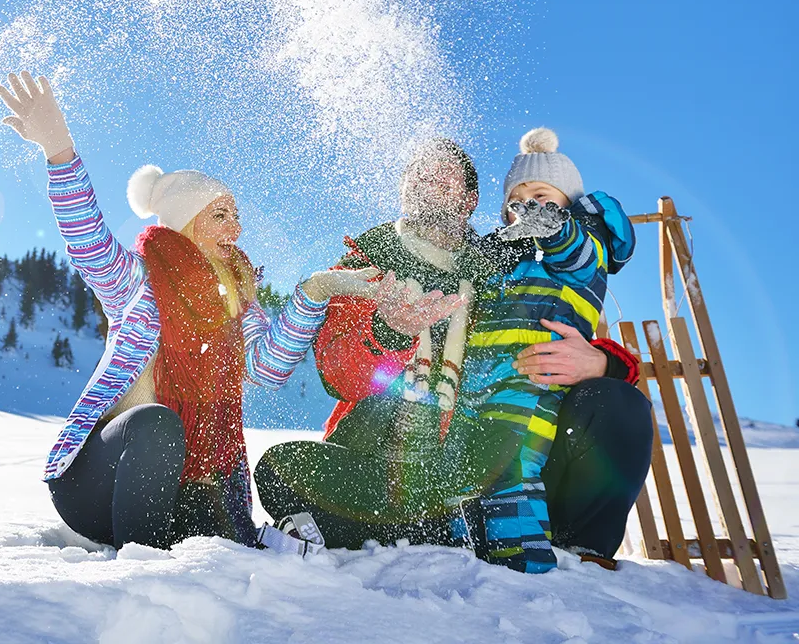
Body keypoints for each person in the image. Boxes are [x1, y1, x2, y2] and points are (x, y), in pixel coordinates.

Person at [0, 71, 461, 551]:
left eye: (237, 216)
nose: (235, 229)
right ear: (185, 223)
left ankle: (181, 559)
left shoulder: (238, 304)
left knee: (221, 518)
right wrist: (59, 149)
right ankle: (142, 575)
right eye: (220, 215)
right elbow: (87, 241)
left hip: (173, 494)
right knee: (156, 424)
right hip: (99, 484)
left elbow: (268, 367)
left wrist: (317, 290)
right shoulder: (138, 280)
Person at [254, 137, 652, 565]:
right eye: (419, 179)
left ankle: (579, 551)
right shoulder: (369, 266)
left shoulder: (497, 265)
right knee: (281, 468)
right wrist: (389, 332)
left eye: (444, 178)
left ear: (469, 200)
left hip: (494, 451)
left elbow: (549, 314)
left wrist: (603, 361)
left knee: (617, 403)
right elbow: (342, 375)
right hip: (390, 461)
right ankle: (436, 531)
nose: (430, 186)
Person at [445, 127, 636, 573]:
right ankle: (458, 546)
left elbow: (577, 257)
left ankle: (524, 559)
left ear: (567, 204)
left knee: (513, 462)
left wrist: (556, 229)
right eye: (519, 198)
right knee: (467, 464)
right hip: (482, 380)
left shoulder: (582, 247)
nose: (529, 205)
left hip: (534, 379)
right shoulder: (507, 257)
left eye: (543, 196)